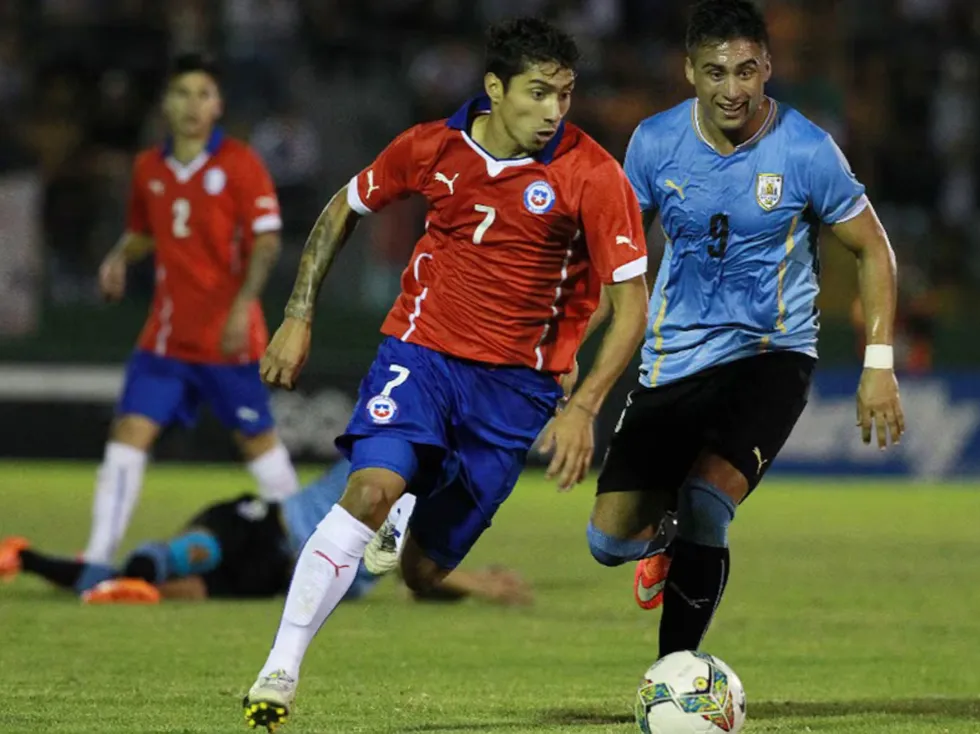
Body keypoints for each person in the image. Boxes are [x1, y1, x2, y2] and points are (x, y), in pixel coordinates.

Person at [243, 16, 650, 731]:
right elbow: (345, 206)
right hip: (422, 354)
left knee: (424, 574)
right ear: (494, 89)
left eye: (565, 93)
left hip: (517, 394)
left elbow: (632, 309)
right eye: (537, 93)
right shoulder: (429, 147)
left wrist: (583, 406)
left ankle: (414, 524)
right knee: (369, 489)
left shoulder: (593, 174)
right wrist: (298, 313)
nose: (554, 111)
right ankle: (279, 667)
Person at [587, 0, 905, 662]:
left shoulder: (808, 150)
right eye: (716, 72)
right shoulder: (653, 143)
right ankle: (664, 538)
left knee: (707, 501)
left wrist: (879, 362)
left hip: (771, 356)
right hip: (673, 359)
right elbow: (617, 258)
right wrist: (567, 345)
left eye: (745, 71)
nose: (732, 89)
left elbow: (874, 249)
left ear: (768, 68)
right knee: (609, 543)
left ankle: (672, 675)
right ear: (689, 72)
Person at [82, 53, 299, 579]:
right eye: (182, 93)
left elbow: (267, 244)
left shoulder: (241, 164)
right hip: (165, 339)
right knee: (129, 433)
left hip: (229, 340)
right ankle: (95, 558)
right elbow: (145, 231)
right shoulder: (148, 168)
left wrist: (243, 305)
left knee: (258, 444)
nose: (192, 105)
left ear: (218, 105)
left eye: (203, 94)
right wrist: (117, 256)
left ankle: (315, 551)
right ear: (166, 103)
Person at [0, 460, 532, 606]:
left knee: (144, 592)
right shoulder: (388, 455)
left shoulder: (424, 514)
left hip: (275, 577)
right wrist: (481, 585)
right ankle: (140, 567)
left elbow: (405, 572)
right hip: (263, 527)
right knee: (182, 557)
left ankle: (24, 559)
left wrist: (475, 582)